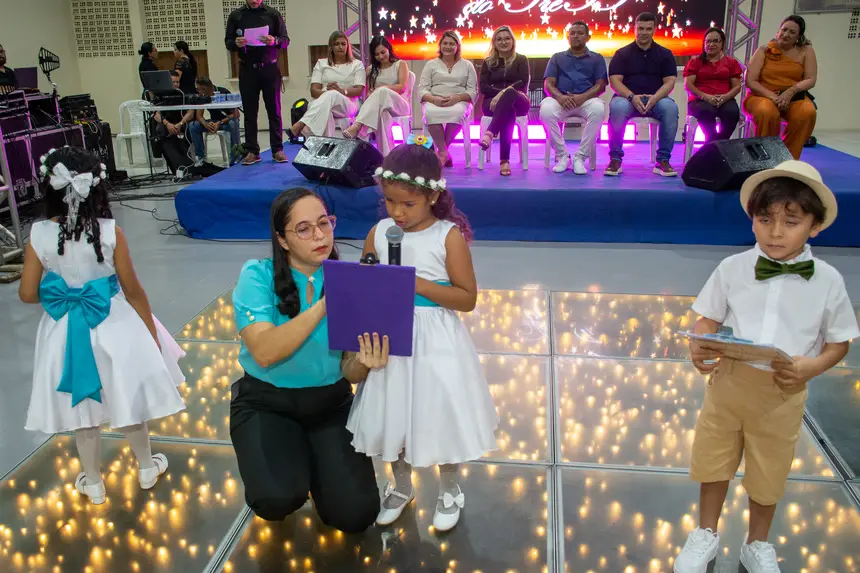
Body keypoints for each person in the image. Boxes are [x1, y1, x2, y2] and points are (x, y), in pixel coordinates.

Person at [674, 160, 859, 573]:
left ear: (815, 226)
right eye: (765, 220)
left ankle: (757, 543)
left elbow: (839, 342)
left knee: (769, 470)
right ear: (752, 219)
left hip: (783, 390)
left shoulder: (827, 280)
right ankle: (705, 532)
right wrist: (700, 343)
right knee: (714, 459)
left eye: (791, 222)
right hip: (728, 384)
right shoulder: (733, 268)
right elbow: (707, 318)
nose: (775, 232)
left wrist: (813, 367)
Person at [18, 147, 187, 506]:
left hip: (65, 329)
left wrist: (62, 293)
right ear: (96, 187)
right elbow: (133, 290)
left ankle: (93, 482)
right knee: (125, 394)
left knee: (83, 407)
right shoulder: (111, 232)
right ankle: (146, 467)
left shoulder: (39, 234)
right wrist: (151, 335)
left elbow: (28, 293)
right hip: (113, 323)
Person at [348, 135, 498, 532]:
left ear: (432, 196)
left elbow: (467, 298)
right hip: (390, 338)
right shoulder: (379, 232)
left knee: (438, 413)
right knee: (393, 412)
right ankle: (401, 486)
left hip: (434, 341)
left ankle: (449, 488)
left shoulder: (447, 236)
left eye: (408, 204)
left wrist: (415, 283)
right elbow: (365, 280)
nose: (397, 212)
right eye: (389, 201)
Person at [230, 187, 389, 532]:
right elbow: (265, 351)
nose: (319, 235)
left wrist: (366, 361)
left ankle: (318, 466)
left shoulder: (351, 280)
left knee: (357, 515)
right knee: (275, 499)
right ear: (282, 239)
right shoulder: (257, 275)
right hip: (266, 402)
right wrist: (324, 305)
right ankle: (292, 464)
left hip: (330, 403)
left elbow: (350, 371)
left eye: (324, 223)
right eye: (303, 229)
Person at [606, 12, 679, 177]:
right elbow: (615, 81)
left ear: (654, 30)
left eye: (648, 29)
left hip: (657, 99)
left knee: (670, 108)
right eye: (641, 28)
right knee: (617, 107)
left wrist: (655, 98)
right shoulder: (622, 54)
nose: (644, 32)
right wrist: (632, 97)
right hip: (627, 99)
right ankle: (615, 159)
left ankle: (663, 161)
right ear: (635, 29)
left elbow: (670, 82)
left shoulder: (665, 54)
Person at [225, 0, 290, 165]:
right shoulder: (236, 16)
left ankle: (277, 149)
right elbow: (228, 42)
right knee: (250, 112)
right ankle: (252, 151)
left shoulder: (273, 14)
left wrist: (274, 41)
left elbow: (285, 40)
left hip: (270, 68)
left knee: (274, 110)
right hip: (247, 69)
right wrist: (235, 43)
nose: (254, 1)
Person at [744, 15, 817, 160]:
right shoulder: (764, 50)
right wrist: (774, 97)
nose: (786, 34)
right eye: (784, 30)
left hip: (793, 96)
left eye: (792, 32)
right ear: (778, 31)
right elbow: (751, 81)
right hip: (762, 95)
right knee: (767, 112)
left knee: (806, 112)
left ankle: (787, 159)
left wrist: (791, 91)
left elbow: (811, 79)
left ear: (799, 37)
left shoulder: (806, 51)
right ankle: (765, 158)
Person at [540, 21, 608, 175]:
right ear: (568, 37)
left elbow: (601, 86)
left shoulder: (597, 58)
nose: (576, 36)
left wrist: (582, 97)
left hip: (587, 100)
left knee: (598, 109)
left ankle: (580, 157)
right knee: (546, 109)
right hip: (561, 100)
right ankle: (563, 155)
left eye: (580, 33)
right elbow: (548, 84)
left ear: (588, 37)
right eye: (572, 33)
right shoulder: (557, 58)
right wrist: (560, 98)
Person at [289, 31, 365, 139]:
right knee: (326, 110)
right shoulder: (321, 63)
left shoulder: (357, 64)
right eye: (336, 44)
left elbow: (359, 90)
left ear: (348, 46)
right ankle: (323, 144)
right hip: (323, 101)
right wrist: (326, 93)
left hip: (348, 103)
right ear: (331, 47)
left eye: (343, 44)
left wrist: (340, 91)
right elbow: (313, 91)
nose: (340, 47)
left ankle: (301, 124)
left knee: (332, 94)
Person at [418, 31, 478, 167]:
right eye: (445, 43)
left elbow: (472, 91)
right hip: (434, 100)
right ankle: (444, 152)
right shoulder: (431, 64)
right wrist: (434, 100)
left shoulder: (467, 65)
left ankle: (441, 152)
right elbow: (422, 90)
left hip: (460, 100)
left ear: (457, 46)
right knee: (430, 113)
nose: (448, 46)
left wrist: (457, 98)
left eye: (452, 44)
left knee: (457, 113)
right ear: (440, 46)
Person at [478, 26, 530, 177]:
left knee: (511, 92)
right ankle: (504, 161)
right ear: (494, 43)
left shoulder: (521, 59)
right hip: (491, 103)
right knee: (508, 111)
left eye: (507, 38)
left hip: (519, 100)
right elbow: (483, 87)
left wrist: (503, 93)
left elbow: (522, 82)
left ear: (512, 41)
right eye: (499, 39)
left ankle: (490, 133)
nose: (503, 42)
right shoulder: (488, 62)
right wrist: (500, 95)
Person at [342, 36, 410, 141]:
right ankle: (383, 150)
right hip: (380, 106)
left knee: (382, 91)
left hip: (399, 105)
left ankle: (358, 126)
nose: (381, 56)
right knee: (381, 110)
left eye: (383, 52)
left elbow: (402, 87)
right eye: (377, 54)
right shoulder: (371, 69)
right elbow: (366, 90)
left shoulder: (400, 64)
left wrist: (382, 88)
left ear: (389, 48)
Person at [684, 27, 743, 142]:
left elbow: (737, 86)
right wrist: (705, 97)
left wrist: (725, 97)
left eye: (715, 41)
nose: (711, 44)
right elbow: (688, 85)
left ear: (722, 43)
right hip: (700, 100)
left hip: (724, 99)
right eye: (708, 41)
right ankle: (714, 144)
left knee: (732, 112)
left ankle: (717, 143)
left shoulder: (731, 62)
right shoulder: (695, 62)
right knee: (707, 111)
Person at [189, 77, 242, 166]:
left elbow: (236, 114)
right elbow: (199, 116)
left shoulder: (223, 92)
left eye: (198, 89)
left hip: (226, 121)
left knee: (234, 123)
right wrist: (205, 124)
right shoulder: (202, 96)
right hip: (213, 121)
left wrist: (220, 122)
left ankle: (235, 156)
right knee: (193, 126)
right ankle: (201, 158)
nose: (197, 91)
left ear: (205, 89)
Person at [153, 71, 195, 175]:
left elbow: (190, 112)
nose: (176, 84)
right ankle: (175, 164)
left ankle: (188, 161)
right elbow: (157, 115)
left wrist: (180, 124)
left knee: (191, 128)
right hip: (167, 124)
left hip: (181, 123)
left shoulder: (183, 94)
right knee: (160, 130)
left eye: (177, 82)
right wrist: (168, 124)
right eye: (173, 82)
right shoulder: (160, 96)